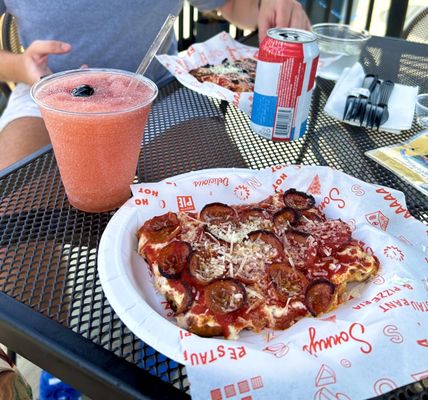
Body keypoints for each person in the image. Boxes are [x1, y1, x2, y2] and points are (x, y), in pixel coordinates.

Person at [0, 0, 310, 170]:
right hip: (48, 94)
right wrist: (20, 66)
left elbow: (238, 10)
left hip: (159, 91)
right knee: (13, 234)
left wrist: (271, 3)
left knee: (229, 204)